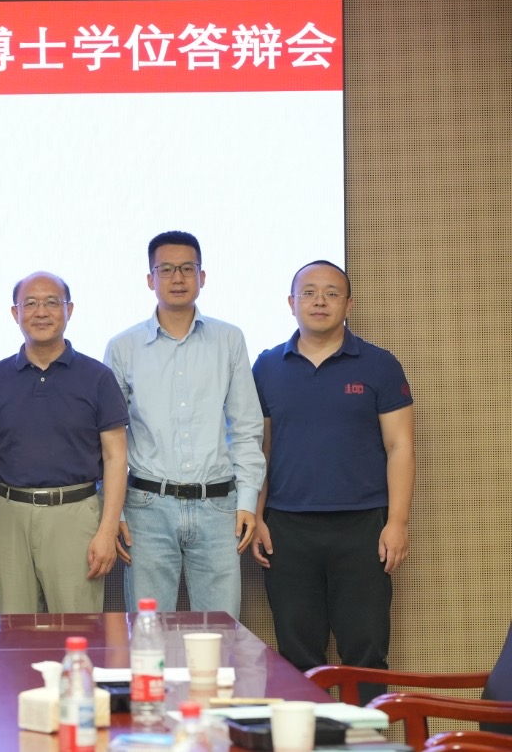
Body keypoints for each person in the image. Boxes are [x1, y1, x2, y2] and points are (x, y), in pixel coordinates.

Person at [251, 260, 414, 687]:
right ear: (291, 303)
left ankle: (368, 730)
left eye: (331, 293)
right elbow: (259, 451)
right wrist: (258, 516)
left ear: (348, 304)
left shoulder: (380, 364)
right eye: (308, 292)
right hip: (287, 529)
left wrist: (397, 523)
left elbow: (400, 447)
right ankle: (309, 728)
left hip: (363, 527)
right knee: (297, 655)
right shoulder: (266, 367)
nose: (319, 301)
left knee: (366, 651)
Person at [104, 230, 265, 618]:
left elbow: (246, 427)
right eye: (166, 269)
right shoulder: (123, 347)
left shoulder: (229, 339)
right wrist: (115, 513)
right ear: (150, 279)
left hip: (218, 508)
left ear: (202, 277)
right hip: (146, 508)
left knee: (220, 634)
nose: (178, 278)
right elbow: (109, 441)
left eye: (187, 268)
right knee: (148, 632)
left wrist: (247, 501)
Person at [0, 271, 128, 613]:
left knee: (78, 631)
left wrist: (107, 530)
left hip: (76, 515)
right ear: (16, 313)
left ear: (70, 310)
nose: (41, 312)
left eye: (52, 303)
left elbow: (116, 458)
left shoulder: (98, 377)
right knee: (11, 633)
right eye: (30, 303)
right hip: (8, 518)